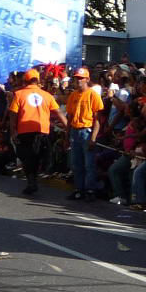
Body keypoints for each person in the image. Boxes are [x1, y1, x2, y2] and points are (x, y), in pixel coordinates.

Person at [7, 68, 64, 195]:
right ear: (38, 81)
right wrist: (68, 127)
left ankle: (31, 180)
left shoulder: (19, 94)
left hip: (24, 130)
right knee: (36, 156)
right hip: (42, 130)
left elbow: (13, 115)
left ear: (25, 81)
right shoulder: (47, 95)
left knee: (26, 156)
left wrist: (13, 131)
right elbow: (59, 112)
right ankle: (33, 179)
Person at [64, 66, 104, 200]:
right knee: (76, 163)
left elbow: (98, 119)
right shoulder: (73, 95)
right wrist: (66, 135)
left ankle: (90, 190)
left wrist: (93, 137)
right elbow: (69, 117)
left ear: (87, 79)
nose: (78, 81)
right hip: (75, 131)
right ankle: (79, 189)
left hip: (87, 131)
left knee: (89, 164)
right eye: (77, 78)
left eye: (81, 78)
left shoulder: (93, 95)